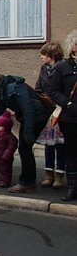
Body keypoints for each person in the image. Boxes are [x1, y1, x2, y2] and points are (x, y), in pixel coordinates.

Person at [0, 72, 51, 194]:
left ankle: (27, 183)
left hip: (37, 117)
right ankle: (28, 182)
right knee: (25, 149)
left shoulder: (15, 88)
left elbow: (28, 110)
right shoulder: (3, 92)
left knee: (24, 149)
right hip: (29, 119)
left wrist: (28, 132)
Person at [48, 29, 77, 201]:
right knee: (72, 152)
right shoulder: (63, 66)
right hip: (70, 117)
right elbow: (52, 90)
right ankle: (73, 187)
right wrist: (68, 104)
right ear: (73, 47)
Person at [35, 41, 66, 188]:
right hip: (48, 110)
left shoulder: (64, 67)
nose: (41, 57)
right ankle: (49, 175)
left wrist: (59, 102)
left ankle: (60, 176)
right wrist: (45, 99)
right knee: (49, 144)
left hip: (61, 110)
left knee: (61, 145)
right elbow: (38, 87)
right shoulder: (44, 69)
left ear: (51, 55)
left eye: (44, 54)